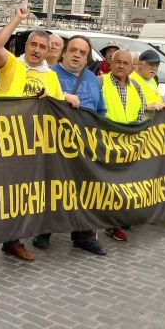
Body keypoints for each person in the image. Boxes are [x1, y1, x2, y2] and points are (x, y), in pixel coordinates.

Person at [0, 6, 64, 261]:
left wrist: (59, 99)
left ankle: (13, 241)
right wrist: (18, 18)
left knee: (19, 197)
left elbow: (58, 110)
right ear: (26, 45)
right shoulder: (12, 65)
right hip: (1, 140)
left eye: (42, 46)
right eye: (33, 44)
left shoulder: (51, 78)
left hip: (29, 145)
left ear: (48, 50)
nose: (37, 50)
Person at [32, 35, 108, 256]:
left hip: (84, 145)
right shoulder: (49, 74)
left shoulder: (93, 79)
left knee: (86, 191)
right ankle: (44, 231)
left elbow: (101, 110)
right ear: (63, 52)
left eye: (82, 53)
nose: (77, 55)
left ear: (87, 59)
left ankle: (83, 235)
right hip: (53, 144)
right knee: (52, 189)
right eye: (73, 50)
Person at [101, 49, 146, 243]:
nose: (121, 66)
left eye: (125, 63)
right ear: (110, 63)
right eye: (117, 62)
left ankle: (114, 224)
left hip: (128, 146)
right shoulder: (99, 82)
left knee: (121, 187)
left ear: (131, 67)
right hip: (105, 143)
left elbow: (140, 113)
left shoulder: (136, 86)